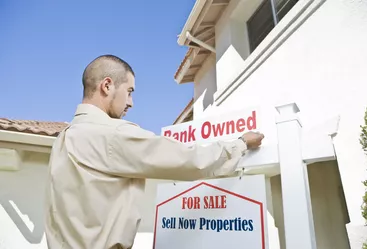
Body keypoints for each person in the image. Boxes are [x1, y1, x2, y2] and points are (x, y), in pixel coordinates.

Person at [44, 54, 265, 249]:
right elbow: (188, 159)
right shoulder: (113, 134)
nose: (130, 102)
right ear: (107, 85)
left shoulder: (64, 138)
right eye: (129, 92)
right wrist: (240, 143)